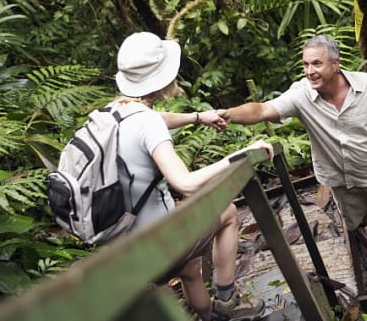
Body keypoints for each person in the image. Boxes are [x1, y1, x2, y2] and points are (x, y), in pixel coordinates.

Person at [217, 35, 367, 281]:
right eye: (306, 65)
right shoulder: (301, 94)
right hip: (338, 175)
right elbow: (263, 109)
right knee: (362, 210)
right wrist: (229, 114)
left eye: (317, 64)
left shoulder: (365, 85)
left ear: (335, 64)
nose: (310, 71)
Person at [114, 31, 271, 321]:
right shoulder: (146, 123)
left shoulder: (112, 113)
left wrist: (197, 117)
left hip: (121, 242)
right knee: (228, 212)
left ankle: (208, 315)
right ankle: (226, 301)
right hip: (156, 243)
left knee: (189, 267)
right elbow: (184, 182)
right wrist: (243, 153)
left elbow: (156, 120)